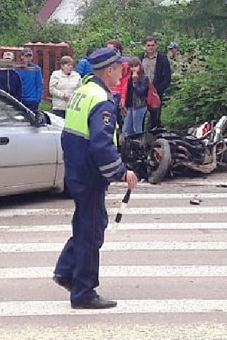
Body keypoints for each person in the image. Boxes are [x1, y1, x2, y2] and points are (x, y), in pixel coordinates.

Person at [53, 47, 138, 310]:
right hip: (90, 175)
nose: (122, 73)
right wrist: (121, 171)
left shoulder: (83, 91)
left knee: (87, 224)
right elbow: (101, 144)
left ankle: (66, 271)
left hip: (77, 171)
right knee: (91, 232)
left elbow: (69, 135)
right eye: (120, 68)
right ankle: (84, 292)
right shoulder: (101, 99)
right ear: (109, 70)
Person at [139, 36, 171, 129]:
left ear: (156, 46)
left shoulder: (162, 59)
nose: (151, 47)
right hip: (141, 91)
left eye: (152, 45)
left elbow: (167, 77)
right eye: (148, 45)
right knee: (141, 117)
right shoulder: (140, 58)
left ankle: (156, 133)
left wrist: (157, 90)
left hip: (156, 92)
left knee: (155, 117)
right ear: (145, 46)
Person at [106, 39, 131, 128]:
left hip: (116, 93)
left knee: (115, 118)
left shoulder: (124, 63)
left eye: (111, 49)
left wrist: (123, 98)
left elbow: (125, 82)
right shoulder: (105, 62)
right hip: (106, 92)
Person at [122, 58, 149, 135]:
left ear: (140, 66)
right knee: (127, 129)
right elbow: (128, 92)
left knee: (137, 129)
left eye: (135, 66)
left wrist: (135, 81)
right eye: (132, 66)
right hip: (130, 106)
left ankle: (140, 142)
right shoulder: (129, 78)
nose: (133, 69)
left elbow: (141, 92)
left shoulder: (144, 78)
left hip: (139, 106)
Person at [17, 47, 44, 113]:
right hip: (20, 99)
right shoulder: (17, 69)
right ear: (22, 56)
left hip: (32, 100)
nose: (28, 58)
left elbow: (39, 84)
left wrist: (38, 98)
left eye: (30, 56)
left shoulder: (36, 69)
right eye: (26, 56)